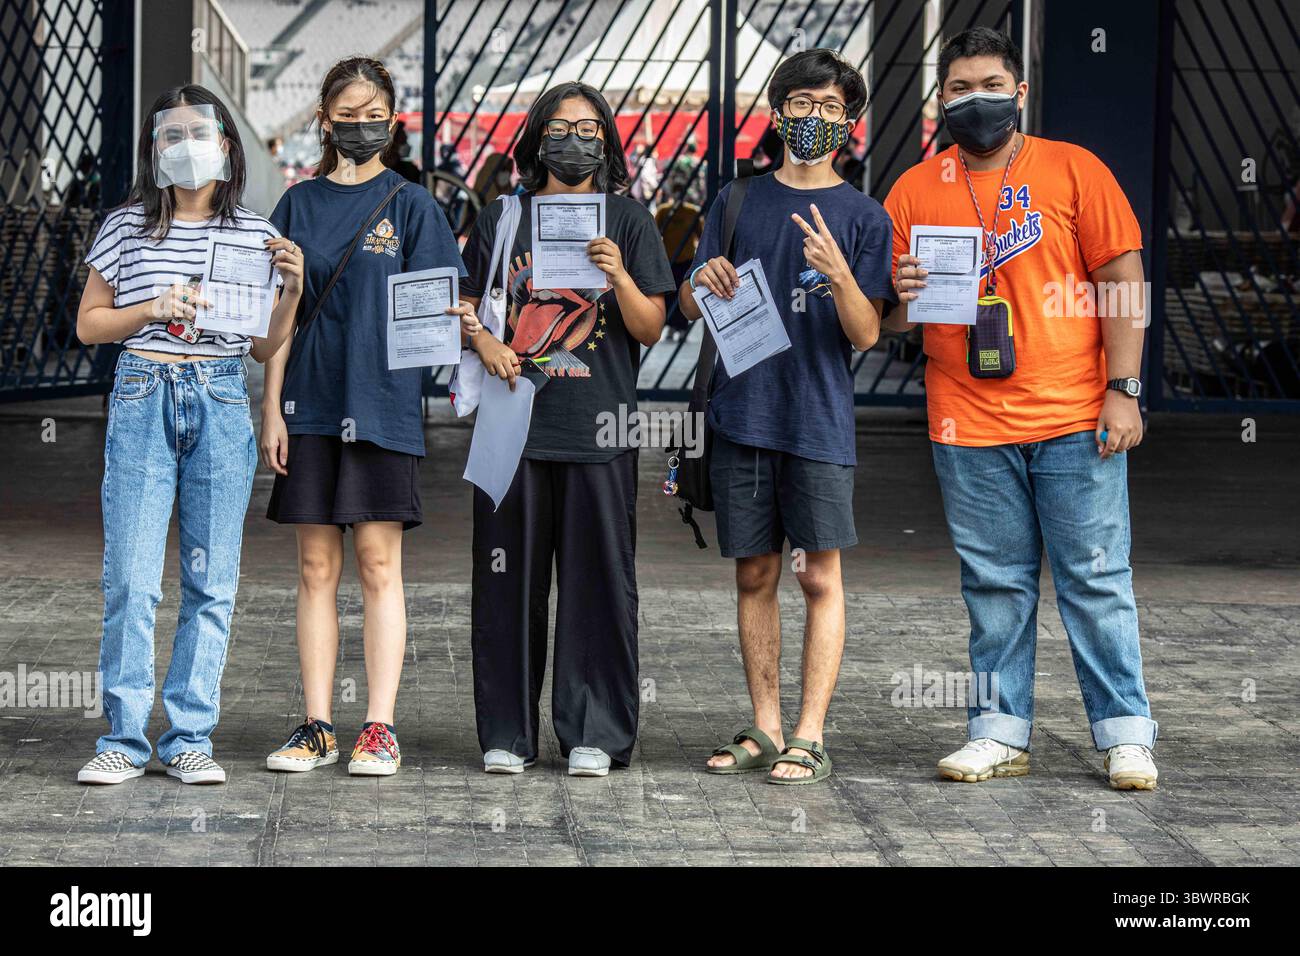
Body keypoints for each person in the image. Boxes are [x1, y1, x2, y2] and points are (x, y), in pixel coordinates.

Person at [883, 27, 1159, 790]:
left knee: (1096, 578)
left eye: (992, 85)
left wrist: (1124, 389)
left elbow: (1123, 280)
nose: (978, 101)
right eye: (961, 88)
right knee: (994, 583)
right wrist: (900, 295)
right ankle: (999, 731)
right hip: (965, 420)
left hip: (1075, 416)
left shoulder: (1074, 171)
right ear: (941, 99)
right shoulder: (911, 189)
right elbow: (893, 321)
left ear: (1021, 91)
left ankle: (1125, 734)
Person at [75, 85, 304, 785]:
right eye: (170, 136)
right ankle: (123, 737)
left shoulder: (257, 234)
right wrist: (151, 306)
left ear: (227, 146)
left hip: (220, 392)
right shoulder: (124, 227)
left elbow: (265, 348)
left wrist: (291, 291)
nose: (185, 147)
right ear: (154, 151)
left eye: (197, 133)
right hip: (145, 387)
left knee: (211, 582)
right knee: (133, 579)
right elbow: (89, 324)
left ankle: (189, 738)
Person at [679, 49, 894, 785]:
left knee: (820, 578)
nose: (814, 118)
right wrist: (699, 281)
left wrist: (839, 278)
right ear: (777, 113)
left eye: (831, 108)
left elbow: (867, 334)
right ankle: (765, 728)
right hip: (744, 416)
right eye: (801, 104)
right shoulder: (737, 201)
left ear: (850, 123)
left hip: (819, 420)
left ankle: (810, 732)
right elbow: (687, 304)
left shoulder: (865, 216)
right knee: (755, 573)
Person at [260, 57, 473, 777]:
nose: (359, 126)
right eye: (345, 115)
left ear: (393, 117)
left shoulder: (413, 205)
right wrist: (272, 409)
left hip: (381, 406)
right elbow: (277, 321)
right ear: (324, 120)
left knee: (380, 565)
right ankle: (318, 724)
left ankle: (378, 726)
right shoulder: (296, 203)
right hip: (309, 403)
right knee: (316, 566)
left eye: (371, 113)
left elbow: (447, 310)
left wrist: (462, 318)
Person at [459, 81, 676, 777]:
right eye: (561, 127)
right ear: (536, 139)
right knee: (505, 586)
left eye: (589, 129)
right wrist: (483, 341)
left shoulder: (629, 220)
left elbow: (650, 327)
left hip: (599, 430)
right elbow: (464, 306)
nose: (575, 139)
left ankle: (597, 733)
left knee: (599, 586)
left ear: (607, 141)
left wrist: (619, 276)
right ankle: (506, 735)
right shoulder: (503, 218)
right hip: (511, 428)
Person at [653, 170, 703, 340]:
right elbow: (653, 234)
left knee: (682, 296)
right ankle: (671, 326)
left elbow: (701, 235)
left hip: (686, 260)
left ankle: (680, 328)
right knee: (668, 295)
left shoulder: (692, 212)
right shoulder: (663, 211)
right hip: (668, 260)